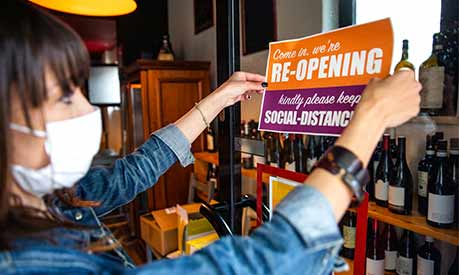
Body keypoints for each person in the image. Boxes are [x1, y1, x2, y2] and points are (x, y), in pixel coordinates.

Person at [0, 1, 422, 274]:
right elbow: (262, 263)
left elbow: (134, 171)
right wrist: (371, 117)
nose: (87, 110)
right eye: (62, 95)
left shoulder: (54, 203)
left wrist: (216, 101)